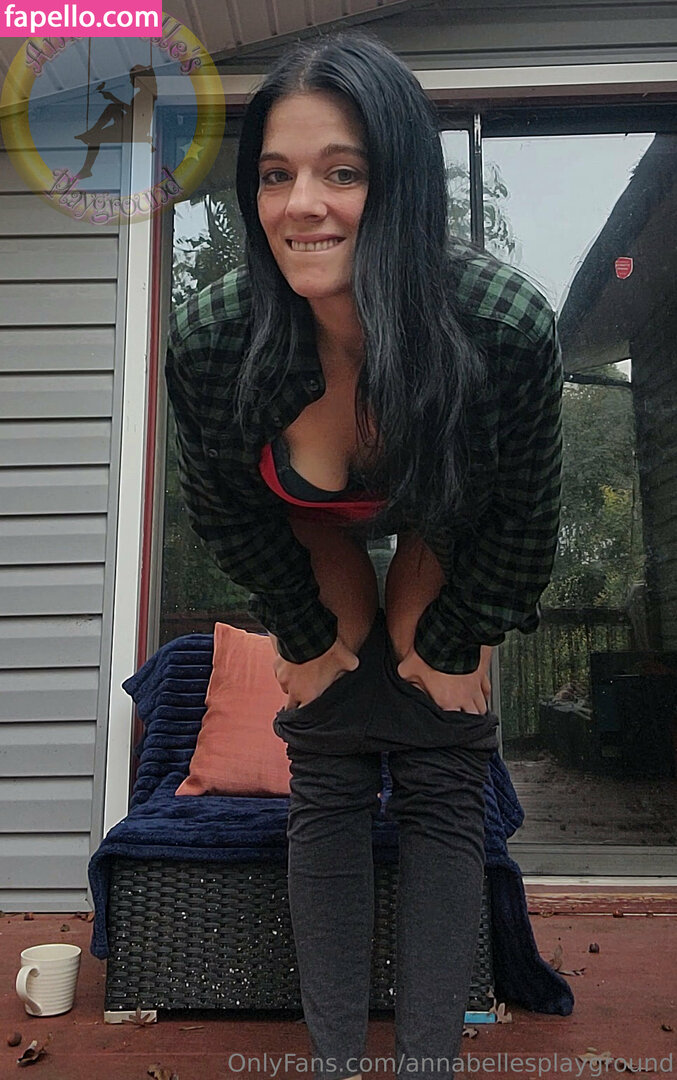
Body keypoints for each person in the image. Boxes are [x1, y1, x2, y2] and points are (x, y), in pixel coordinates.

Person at [165, 29, 563, 1080]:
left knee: (438, 745)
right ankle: (336, 1063)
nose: (303, 204)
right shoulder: (212, 339)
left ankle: (429, 1064)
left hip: (448, 513)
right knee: (331, 737)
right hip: (310, 522)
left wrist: (460, 640)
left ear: (401, 185)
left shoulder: (501, 327)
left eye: (342, 172)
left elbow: (523, 517)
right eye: (275, 175)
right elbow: (225, 511)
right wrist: (300, 638)